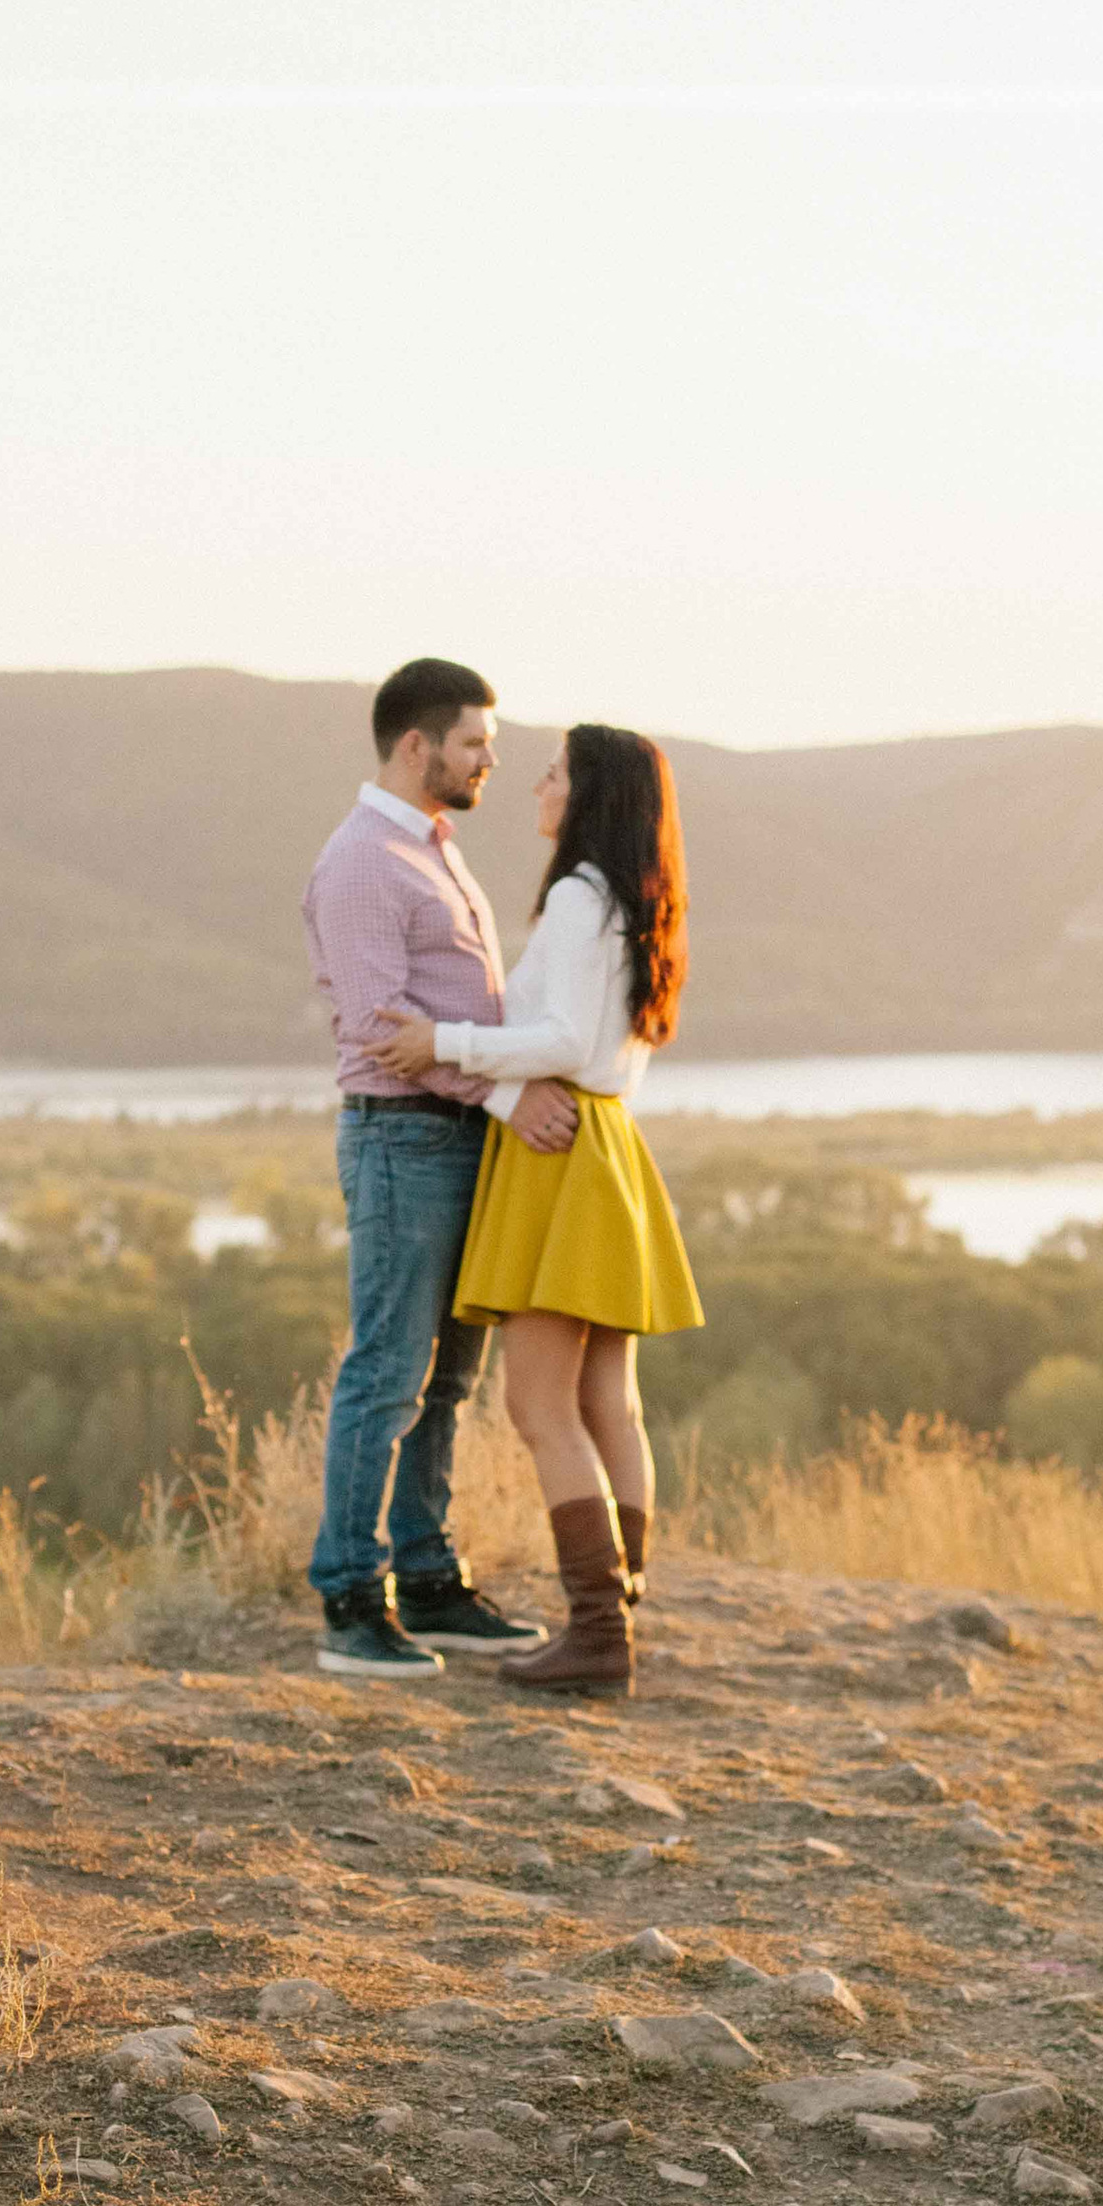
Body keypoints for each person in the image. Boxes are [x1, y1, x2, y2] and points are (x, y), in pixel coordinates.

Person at [369, 722, 702, 1698]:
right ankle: (616, 1617)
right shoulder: (639, 900)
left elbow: (555, 1036)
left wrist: (444, 1042)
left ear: (589, 794)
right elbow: (588, 1039)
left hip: (559, 1154)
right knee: (608, 1402)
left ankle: (598, 1634)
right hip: (607, 1145)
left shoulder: (575, 894)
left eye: (553, 772)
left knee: (537, 1403)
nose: (537, 787)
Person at [301, 657, 583, 1680]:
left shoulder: (433, 850)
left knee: (450, 1378)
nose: (489, 761)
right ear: (416, 745)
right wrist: (509, 1093)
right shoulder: (364, 863)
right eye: (473, 745)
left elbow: (461, 1015)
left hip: (458, 1137)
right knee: (387, 1373)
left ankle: (427, 1578)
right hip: (402, 1139)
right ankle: (348, 1598)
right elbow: (382, 1031)